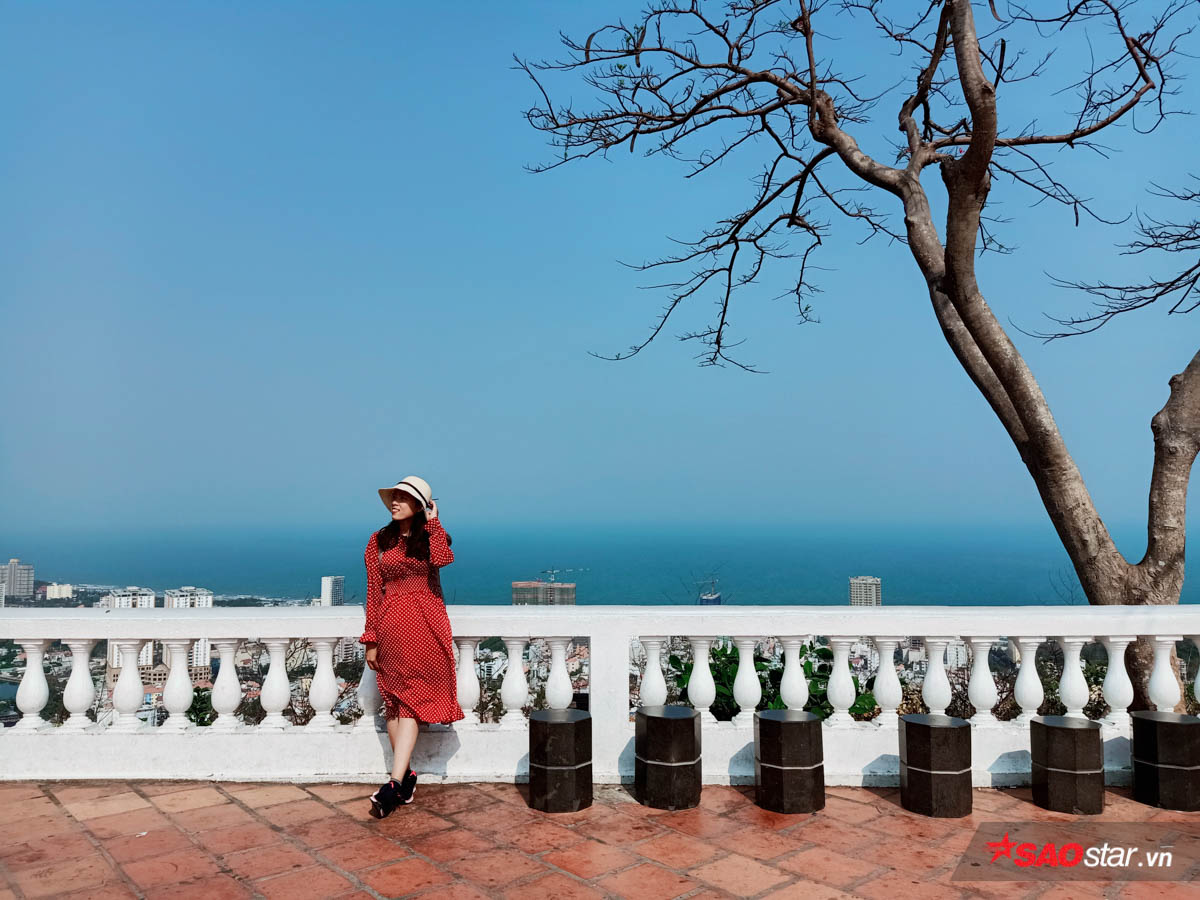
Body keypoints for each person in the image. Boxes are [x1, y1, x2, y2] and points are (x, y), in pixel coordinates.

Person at [361, 475, 464, 818]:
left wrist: (434, 523)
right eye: (394, 496)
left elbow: (444, 558)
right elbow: (373, 591)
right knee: (394, 701)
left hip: (425, 624)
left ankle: (394, 784)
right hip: (390, 625)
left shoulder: (431, 537)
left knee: (411, 701)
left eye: (403, 497)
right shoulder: (378, 541)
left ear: (420, 505)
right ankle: (405, 780)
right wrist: (371, 639)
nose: (395, 502)